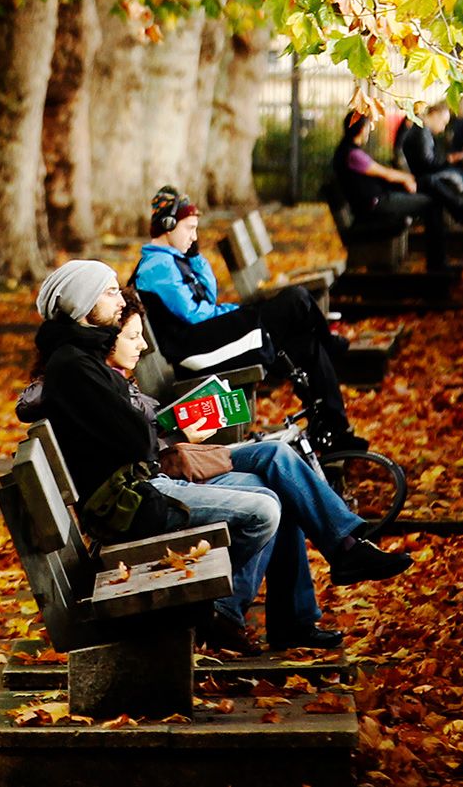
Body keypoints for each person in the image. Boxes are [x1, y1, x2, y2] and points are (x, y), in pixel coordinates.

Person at [98, 289, 410, 650]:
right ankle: (274, 608)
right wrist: (179, 433)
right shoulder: (101, 383)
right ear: (108, 340)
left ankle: (342, 551)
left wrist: (179, 428)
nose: (142, 345)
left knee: (277, 456)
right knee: (275, 490)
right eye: (133, 337)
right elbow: (132, 452)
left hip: (171, 465)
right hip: (157, 484)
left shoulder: (120, 376)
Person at [26, 259, 277, 655]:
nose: (117, 298)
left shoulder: (82, 358)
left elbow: (137, 433)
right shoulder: (74, 366)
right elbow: (137, 442)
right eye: (108, 292)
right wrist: (154, 426)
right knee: (263, 511)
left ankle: (221, 613)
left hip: (135, 492)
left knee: (268, 488)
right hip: (130, 506)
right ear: (81, 303)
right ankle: (205, 611)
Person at [130, 187, 363, 451]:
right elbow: (195, 315)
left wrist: (194, 256)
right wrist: (232, 312)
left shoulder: (173, 260)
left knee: (307, 344)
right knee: (295, 299)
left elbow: (207, 298)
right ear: (168, 226)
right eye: (189, 228)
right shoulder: (157, 267)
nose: (194, 236)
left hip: (205, 339)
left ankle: (335, 429)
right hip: (195, 350)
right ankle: (330, 343)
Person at [389, 102, 463, 271]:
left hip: (421, 179)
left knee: (436, 203)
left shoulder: (419, 130)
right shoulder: (421, 131)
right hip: (422, 179)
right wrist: (450, 160)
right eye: (443, 122)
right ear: (434, 115)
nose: (442, 128)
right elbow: (428, 164)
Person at [333, 109, 438, 256]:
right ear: (362, 129)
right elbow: (386, 174)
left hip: (370, 203)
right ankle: (437, 261)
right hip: (374, 205)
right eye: (369, 127)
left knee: (426, 198)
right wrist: (409, 178)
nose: (369, 132)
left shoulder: (346, 151)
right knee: (430, 204)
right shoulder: (353, 155)